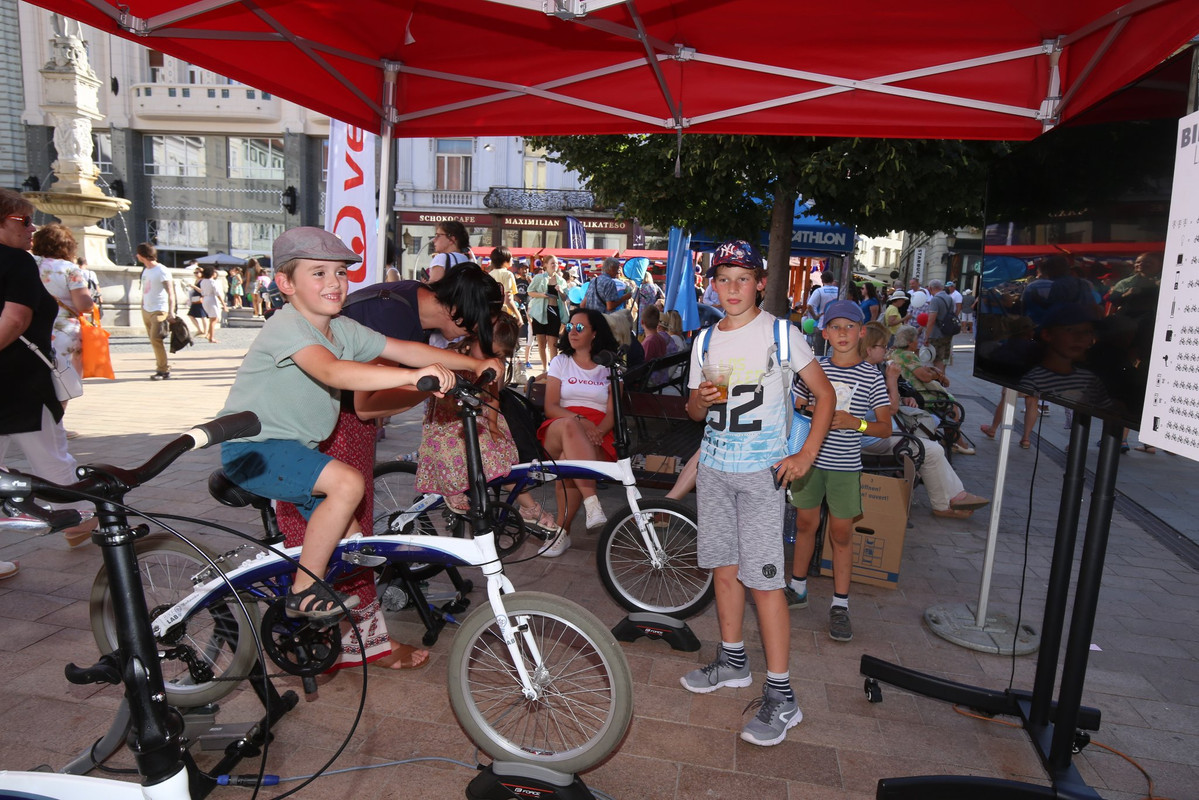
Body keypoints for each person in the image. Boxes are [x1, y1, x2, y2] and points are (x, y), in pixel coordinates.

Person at [218, 226, 469, 619]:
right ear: (285, 283)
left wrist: (477, 364)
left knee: (356, 544)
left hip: (296, 451)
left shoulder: (342, 329)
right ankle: (303, 593)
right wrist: (407, 377)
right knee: (348, 483)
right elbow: (334, 373)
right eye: (318, 273)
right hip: (254, 449)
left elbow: (406, 348)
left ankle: (329, 623)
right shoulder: (286, 326)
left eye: (341, 272)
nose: (334, 282)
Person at [679, 239, 834, 748]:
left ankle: (783, 695)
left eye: (742, 278)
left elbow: (825, 394)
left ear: (761, 283)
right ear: (712, 283)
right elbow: (694, 413)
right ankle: (733, 661)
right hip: (717, 470)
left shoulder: (783, 335)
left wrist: (806, 454)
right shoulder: (704, 342)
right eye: (723, 278)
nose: (732, 288)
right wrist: (698, 402)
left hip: (763, 476)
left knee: (765, 582)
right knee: (723, 570)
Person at [787, 300, 890, 644]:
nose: (842, 334)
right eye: (835, 327)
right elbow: (796, 400)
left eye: (849, 327)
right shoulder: (816, 367)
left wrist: (856, 422)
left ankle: (840, 605)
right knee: (805, 524)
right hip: (810, 459)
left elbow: (885, 428)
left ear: (862, 333)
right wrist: (809, 405)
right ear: (825, 333)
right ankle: (797, 588)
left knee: (842, 535)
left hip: (845, 467)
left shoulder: (871, 376)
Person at [0, 189, 96, 547]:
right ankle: (83, 517)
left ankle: (80, 518)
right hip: (21, 383)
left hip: (15, 381)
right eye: (23, 221)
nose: (31, 229)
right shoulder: (16, 261)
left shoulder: (26, 261)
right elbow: (16, 318)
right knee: (51, 458)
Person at [860, 322, 989, 518]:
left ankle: (950, 498)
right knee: (931, 448)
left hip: (873, 432)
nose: (886, 350)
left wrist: (902, 396)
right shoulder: (869, 373)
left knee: (927, 440)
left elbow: (878, 404)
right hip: (873, 437)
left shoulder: (866, 369)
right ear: (870, 349)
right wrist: (892, 380)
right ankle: (946, 502)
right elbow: (891, 408)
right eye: (883, 346)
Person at [537, 308, 621, 554]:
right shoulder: (561, 362)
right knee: (570, 426)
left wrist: (597, 430)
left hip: (598, 434)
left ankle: (562, 533)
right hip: (559, 425)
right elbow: (551, 406)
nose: (573, 331)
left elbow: (613, 413)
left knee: (567, 462)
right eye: (570, 326)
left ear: (594, 333)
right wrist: (581, 421)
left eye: (580, 328)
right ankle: (591, 501)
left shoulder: (610, 366)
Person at [32, 224, 93, 402]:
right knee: (63, 378)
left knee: (37, 373)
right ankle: (58, 425)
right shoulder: (70, 269)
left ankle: (41, 423)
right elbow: (83, 304)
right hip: (63, 330)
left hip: (32, 326)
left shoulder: (29, 263)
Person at [136, 242, 176, 380]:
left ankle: (163, 369)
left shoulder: (162, 270)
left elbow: (171, 292)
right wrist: (142, 304)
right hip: (146, 309)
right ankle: (162, 367)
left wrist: (171, 311)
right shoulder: (146, 270)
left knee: (156, 339)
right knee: (153, 340)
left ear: (141, 256)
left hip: (159, 309)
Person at [527, 253, 567, 371]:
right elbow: (530, 292)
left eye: (557, 263)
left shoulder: (561, 280)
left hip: (554, 312)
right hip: (540, 312)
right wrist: (543, 295)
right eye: (552, 263)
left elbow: (565, 298)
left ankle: (553, 369)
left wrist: (560, 291)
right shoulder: (539, 278)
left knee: (553, 343)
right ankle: (544, 369)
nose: (555, 265)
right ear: (545, 265)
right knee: (541, 343)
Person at [485, 246, 523, 324]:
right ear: (505, 260)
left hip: (490, 315)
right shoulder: (508, 274)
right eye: (511, 257)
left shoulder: (489, 275)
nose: (512, 259)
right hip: (504, 316)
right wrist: (518, 315)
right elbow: (508, 300)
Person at [805, 270, 839, 356]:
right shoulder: (839, 291)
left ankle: (821, 367)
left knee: (819, 352)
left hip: (821, 325)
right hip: (836, 325)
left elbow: (809, 306)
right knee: (834, 352)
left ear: (822, 280)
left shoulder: (819, 291)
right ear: (833, 280)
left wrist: (815, 316)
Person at [922, 279, 954, 371]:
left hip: (936, 334)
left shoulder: (935, 300)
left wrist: (926, 336)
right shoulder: (950, 298)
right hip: (947, 333)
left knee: (936, 360)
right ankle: (943, 378)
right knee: (943, 359)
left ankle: (939, 381)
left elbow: (931, 320)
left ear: (931, 288)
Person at [199, 264, 226, 342]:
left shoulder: (202, 281)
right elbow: (217, 293)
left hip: (205, 299)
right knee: (214, 319)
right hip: (211, 299)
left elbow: (202, 291)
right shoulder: (212, 282)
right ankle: (211, 337)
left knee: (212, 319)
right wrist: (223, 303)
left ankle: (209, 334)